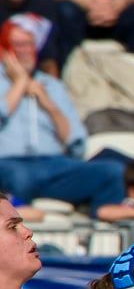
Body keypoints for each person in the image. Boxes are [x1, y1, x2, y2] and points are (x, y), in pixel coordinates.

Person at [0, 16, 123, 212]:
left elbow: (74, 140)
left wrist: (48, 104)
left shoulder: (53, 86)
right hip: (8, 164)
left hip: (54, 165)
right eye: (17, 45)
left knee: (112, 172)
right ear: (4, 50)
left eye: (28, 44)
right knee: (20, 177)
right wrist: (20, 83)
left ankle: (102, 239)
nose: (23, 51)